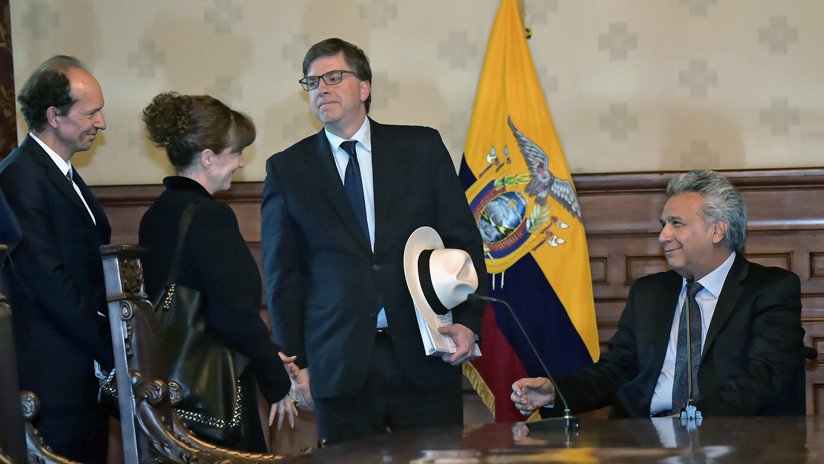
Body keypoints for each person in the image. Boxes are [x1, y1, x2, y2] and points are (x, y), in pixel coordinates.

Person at [261, 38, 487, 444]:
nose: (321, 89)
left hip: (425, 353)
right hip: (337, 364)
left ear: (364, 87)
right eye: (312, 82)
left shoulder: (420, 148)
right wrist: (298, 363)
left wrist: (469, 323)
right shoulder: (288, 169)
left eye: (334, 77)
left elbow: (462, 243)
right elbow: (283, 276)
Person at [512, 169, 804, 418]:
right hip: (644, 437)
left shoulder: (771, 289)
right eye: (663, 225)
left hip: (730, 438)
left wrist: (694, 419)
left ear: (717, 231)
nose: (663, 236)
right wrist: (554, 392)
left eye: (676, 223)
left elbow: (766, 374)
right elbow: (617, 371)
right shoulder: (649, 293)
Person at [138, 92, 294, 452]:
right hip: (213, 394)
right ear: (208, 158)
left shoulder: (155, 214)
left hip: (166, 392)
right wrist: (276, 382)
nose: (241, 162)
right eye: (236, 152)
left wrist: (269, 354)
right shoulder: (210, 216)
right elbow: (233, 315)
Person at [0, 55, 112, 462]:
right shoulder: (21, 175)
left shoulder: (58, 171)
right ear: (54, 116)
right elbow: (49, 280)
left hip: (80, 372)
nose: (101, 123)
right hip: (53, 379)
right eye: (91, 112)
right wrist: (109, 348)